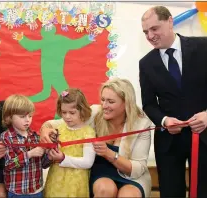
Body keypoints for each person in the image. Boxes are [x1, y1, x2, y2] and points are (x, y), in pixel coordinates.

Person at [40, 78, 153, 198]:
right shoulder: (95, 112)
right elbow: (59, 123)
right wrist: (45, 129)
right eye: (103, 100)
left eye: (110, 101)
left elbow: (138, 168)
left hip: (131, 176)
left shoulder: (142, 124)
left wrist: (108, 153)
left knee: (129, 195)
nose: (104, 105)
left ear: (126, 103)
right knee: (105, 189)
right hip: (102, 172)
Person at [139, 6, 207, 198]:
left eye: (154, 29)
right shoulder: (145, 64)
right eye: (145, 32)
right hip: (169, 143)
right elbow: (149, 104)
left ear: (170, 21)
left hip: (204, 137)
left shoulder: (203, 47)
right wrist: (164, 120)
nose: (150, 36)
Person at [43, 88, 96, 197]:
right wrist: (49, 155)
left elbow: (88, 162)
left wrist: (63, 158)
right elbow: (47, 160)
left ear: (82, 110)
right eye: (64, 112)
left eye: (72, 113)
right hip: (55, 182)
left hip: (75, 186)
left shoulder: (88, 133)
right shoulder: (58, 129)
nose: (67, 116)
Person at [0, 94, 49, 198]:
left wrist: (49, 155)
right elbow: (9, 165)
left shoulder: (35, 137)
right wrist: (29, 154)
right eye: (22, 117)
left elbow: (43, 165)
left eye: (30, 116)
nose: (28, 120)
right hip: (17, 192)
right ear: (9, 117)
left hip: (37, 190)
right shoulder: (6, 137)